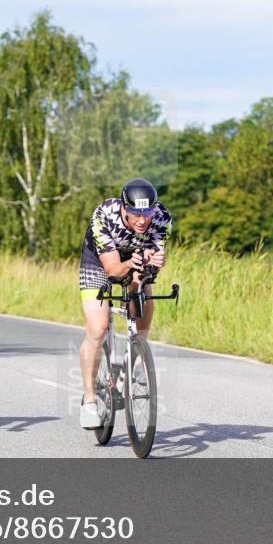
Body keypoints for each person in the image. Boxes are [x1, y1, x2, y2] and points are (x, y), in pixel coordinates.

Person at [77, 178, 172, 429]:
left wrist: (154, 261)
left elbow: (152, 263)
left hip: (135, 256)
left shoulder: (162, 217)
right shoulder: (104, 215)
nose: (143, 220)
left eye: (147, 212)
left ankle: (139, 351)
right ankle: (89, 400)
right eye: (136, 213)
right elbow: (113, 270)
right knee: (97, 328)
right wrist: (130, 264)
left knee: (143, 289)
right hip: (99, 262)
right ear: (123, 207)